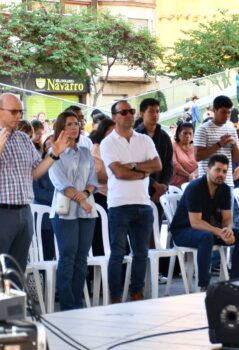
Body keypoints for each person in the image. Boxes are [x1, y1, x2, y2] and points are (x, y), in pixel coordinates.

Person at [0, 93, 69, 272]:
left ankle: (16, 301)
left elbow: (35, 173)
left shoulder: (24, 138)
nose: (18, 116)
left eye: (20, 111)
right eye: (14, 112)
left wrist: (55, 154)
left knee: (17, 272)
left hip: (24, 212)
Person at [100, 100, 161, 303]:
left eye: (131, 111)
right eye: (123, 112)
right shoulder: (108, 142)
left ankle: (137, 293)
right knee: (117, 253)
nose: (129, 115)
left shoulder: (144, 140)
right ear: (114, 117)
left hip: (143, 204)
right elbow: (118, 172)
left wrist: (133, 166)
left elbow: (157, 165)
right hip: (118, 204)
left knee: (141, 253)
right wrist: (142, 173)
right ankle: (115, 297)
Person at [168, 154, 239, 291]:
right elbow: (195, 223)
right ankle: (203, 286)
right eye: (217, 170)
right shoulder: (195, 188)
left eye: (224, 171)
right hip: (183, 231)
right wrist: (220, 232)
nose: (221, 174)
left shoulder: (223, 189)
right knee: (206, 237)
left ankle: (235, 282)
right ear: (207, 169)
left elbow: (226, 218)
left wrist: (228, 230)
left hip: (209, 231)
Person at [48, 111, 99, 310]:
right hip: (64, 212)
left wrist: (85, 196)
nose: (74, 127)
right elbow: (61, 183)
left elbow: (93, 180)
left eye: (77, 124)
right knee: (67, 256)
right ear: (61, 128)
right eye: (69, 124)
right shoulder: (54, 153)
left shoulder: (86, 152)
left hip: (86, 211)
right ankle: (68, 305)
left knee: (81, 258)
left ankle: (77, 302)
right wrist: (82, 200)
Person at [193, 96, 239, 187]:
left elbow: (238, 159)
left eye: (229, 112)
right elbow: (197, 156)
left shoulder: (231, 129)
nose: (227, 116)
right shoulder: (203, 129)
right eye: (223, 112)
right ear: (214, 110)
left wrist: (234, 145)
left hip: (227, 183)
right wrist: (219, 144)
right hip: (207, 184)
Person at [134, 98, 173, 207]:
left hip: (160, 191)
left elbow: (169, 165)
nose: (155, 114)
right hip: (139, 188)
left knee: (157, 223)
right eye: (151, 111)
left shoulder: (164, 137)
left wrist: (163, 186)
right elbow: (134, 165)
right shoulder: (135, 136)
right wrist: (155, 185)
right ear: (142, 114)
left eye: (157, 111)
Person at [89, 118, 115, 256]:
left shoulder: (120, 147)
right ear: (103, 133)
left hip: (117, 196)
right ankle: (99, 275)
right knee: (102, 238)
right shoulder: (97, 149)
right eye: (111, 132)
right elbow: (101, 175)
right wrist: (122, 172)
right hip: (101, 196)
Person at [171, 123, 198, 188]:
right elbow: (175, 165)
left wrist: (193, 176)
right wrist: (189, 176)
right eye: (185, 133)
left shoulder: (196, 147)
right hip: (178, 185)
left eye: (190, 133)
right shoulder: (173, 146)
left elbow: (201, 164)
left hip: (196, 182)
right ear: (178, 134)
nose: (188, 136)